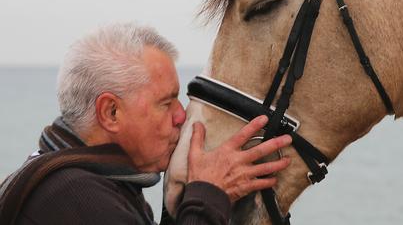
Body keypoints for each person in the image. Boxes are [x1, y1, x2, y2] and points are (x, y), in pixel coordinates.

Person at [0, 23, 292, 224]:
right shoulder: (76, 198)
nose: (183, 115)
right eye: (166, 102)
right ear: (111, 112)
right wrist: (208, 193)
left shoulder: (69, 175)